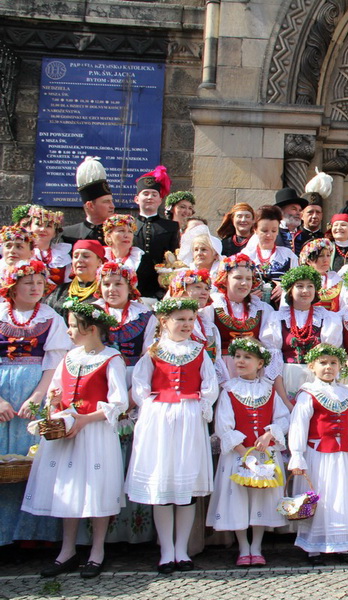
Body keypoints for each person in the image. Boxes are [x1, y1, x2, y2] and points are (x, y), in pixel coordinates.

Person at [21, 299, 125, 578]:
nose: (68, 331)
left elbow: (118, 403)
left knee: (96, 489)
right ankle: (67, 550)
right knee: (68, 490)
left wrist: (85, 419)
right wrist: (54, 403)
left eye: (72, 326)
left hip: (94, 434)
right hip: (68, 435)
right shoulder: (69, 357)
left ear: (91, 329)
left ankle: (97, 550)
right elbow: (55, 393)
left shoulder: (111, 359)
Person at [124, 298, 218, 573]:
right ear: (164, 321)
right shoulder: (154, 351)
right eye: (180, 319)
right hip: (160, 420)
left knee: (186, 489)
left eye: (190, 319)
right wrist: (150, 407)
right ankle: (166, 550)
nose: (187, 324)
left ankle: (182, 549)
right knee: (163, 486)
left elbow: (209, 384)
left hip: (189, 418)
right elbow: (140, 384)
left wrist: (201, 406)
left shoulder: (199, 351)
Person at [0, 260, 70, 547]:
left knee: (33, 463)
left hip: (35, 395)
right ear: (13, 287)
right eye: (28, 282)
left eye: (39, 283)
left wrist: (37, 398)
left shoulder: (52, 318)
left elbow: (55, 363)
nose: (35, 287)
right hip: (3, 399)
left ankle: (31, 535)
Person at [207, 337, 290, 566]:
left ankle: (257, 546)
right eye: (237, 357)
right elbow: (223, 425)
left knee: (261, 498)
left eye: (247, 357)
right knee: (239, 499)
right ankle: (243, 546)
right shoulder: (229, 390)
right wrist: (244, 451)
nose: (240, 361)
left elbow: (282, 419)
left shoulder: (269, 389)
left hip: (265, 455)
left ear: (260, 363)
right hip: (239, 456)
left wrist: (268, 435)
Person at [288, 343, 348, 564]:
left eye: (333, 363)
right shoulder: (308, 393)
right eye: (323, 363)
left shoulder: (346, 393)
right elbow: (298, 425)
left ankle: (343, 543)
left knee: (343, 496)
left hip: (344, 455)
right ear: (312, 366)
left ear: (340, 366)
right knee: (321, 496)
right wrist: (297, 454)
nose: (328, 367)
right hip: (319, 454)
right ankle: (314, 546)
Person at [204, 254, 285, 396]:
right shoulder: (212, 307)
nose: (244, 283)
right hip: (222, 371)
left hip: (251, 372)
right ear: (225, 279)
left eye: (248, 279)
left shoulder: (262, 309)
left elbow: (270, 349)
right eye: (238, 278)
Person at [279, 266, 341, 402]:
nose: (305, 291)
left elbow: (330, 359)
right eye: (300, 286)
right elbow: (274, 363)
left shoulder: (328, 318)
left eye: (310, 286)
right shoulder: (277, 318)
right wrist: (284, 401)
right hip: (285, 381)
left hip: (317, 382)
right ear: (290, 290)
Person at [132, 165, 181, 300]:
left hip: (159, 289)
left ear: (160, 200)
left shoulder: (171, 227)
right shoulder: (129, 225)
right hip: (133, 285)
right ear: (136, 199)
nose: (150, 197)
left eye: (154, 194)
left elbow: (174, 258)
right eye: (145, 194)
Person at [244, 205, 299, 305]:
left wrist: (286, 288)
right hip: (252, 308)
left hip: (280, 309)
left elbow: (299, 283)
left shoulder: (287, 256)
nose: (269, 235)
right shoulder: (246, 255)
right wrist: (247, 295)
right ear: (255, 229)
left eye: (274, 231)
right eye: (264, 231)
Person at [62, 156, 115, 245]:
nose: (112, 206)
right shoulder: (68, 235)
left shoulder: (119, 234)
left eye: (111, 201)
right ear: (90, 205)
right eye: (106, 201)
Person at [45, 239, 105, 313]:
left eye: (86, 256)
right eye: (75, 256)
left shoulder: (104, 291)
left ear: (99, 262)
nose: (79, 260)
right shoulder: (60, 290)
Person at [28, 206, 71, 288]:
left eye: (48, 226)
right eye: (38, 224)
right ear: (30, 228)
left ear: (55, 232)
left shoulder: (63, 255)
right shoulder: (23, 253)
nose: (42, 229)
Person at [299, 238, 343, 313]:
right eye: (320, 256)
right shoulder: (301, 280)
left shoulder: (336, 279)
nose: (326, 260)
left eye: (328, 255)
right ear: (308, 261)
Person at [274, 187, 308, 253]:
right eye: (294, 209)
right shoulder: (274, 234)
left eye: (300, 210)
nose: (298, 213)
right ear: (281, 211)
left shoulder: (305, 237)